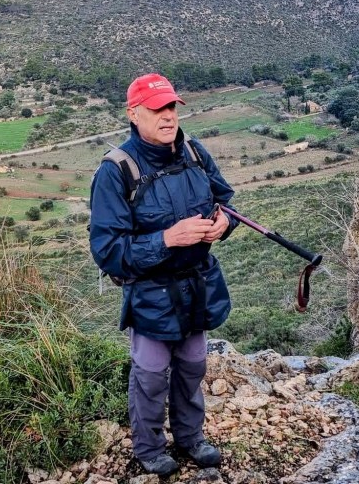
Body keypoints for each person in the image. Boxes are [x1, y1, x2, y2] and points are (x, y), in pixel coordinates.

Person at [89, 73, 238, 476]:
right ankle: (149, 448)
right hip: (151, 293)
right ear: (134, 114)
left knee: (193, 366)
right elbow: (108, 251)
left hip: (198, 284)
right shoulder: (116, 171)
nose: (168, 115)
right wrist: (167, 239)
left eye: (171, 106)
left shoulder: (193, 152)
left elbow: (225, 201)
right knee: (151, 375)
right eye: (157, 109)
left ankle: (191, 438)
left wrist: (224, 222)